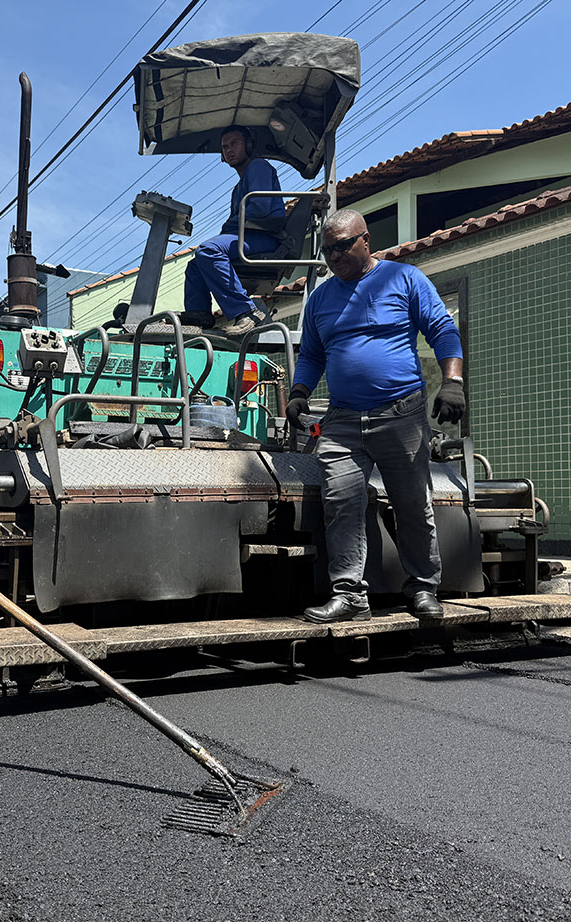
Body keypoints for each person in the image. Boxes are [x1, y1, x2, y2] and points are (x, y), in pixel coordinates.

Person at [287, 209, 467, 624]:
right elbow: (313, 354)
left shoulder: (403, 279)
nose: (334, 256)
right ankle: (349, 595)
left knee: (411, 505)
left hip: (400, 414)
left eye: (342, 246)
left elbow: (442, 329)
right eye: (327, 249)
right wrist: (299, 391)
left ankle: (423, 588)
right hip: (344, 420)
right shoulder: (321, 299)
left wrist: (453, 381)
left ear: (365, 241)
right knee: (341, 504)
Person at [183, 125, 284, 337]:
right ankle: (198, 314)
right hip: (248, 237)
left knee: (209, 250)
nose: (228, 150)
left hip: (265, 237)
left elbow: (259, 208)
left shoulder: (258, 167)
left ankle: (247, 312)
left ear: (248, 145)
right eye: (224, 147)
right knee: (196, 264)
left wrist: (229, 228)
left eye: (234, 144)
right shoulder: (238, 188)